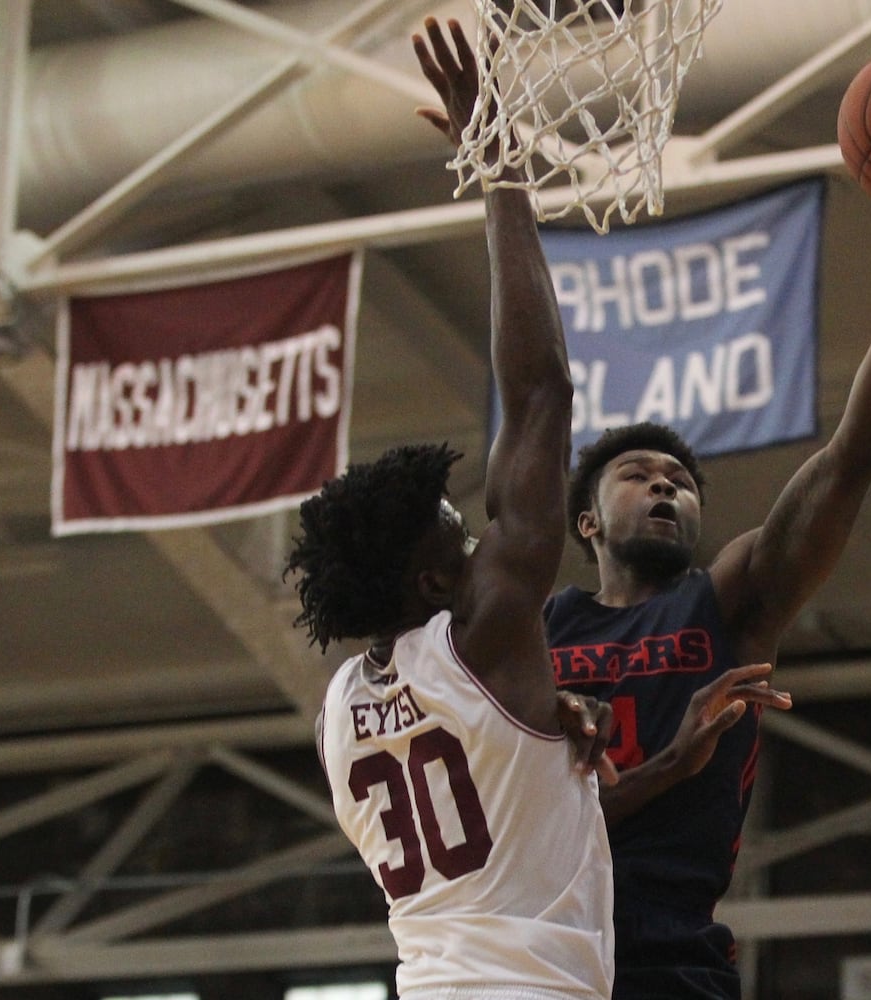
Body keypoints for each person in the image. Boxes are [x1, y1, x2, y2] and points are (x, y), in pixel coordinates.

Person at [544, 133, 871, 999]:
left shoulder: (729, 600)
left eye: (680, 481)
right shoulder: (542, 630)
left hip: (668, 955)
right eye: (638, 477)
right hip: (539, 953)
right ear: (585, 520)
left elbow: (851, 456)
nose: (666, 489)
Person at [287, 18, 614, 1000]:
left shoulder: (342, 709)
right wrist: (499, 172)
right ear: (432, 582)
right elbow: (541, 391)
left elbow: (486, 770)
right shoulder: (487, 630)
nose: (483, 540)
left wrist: (556, 723)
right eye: (462, 537)